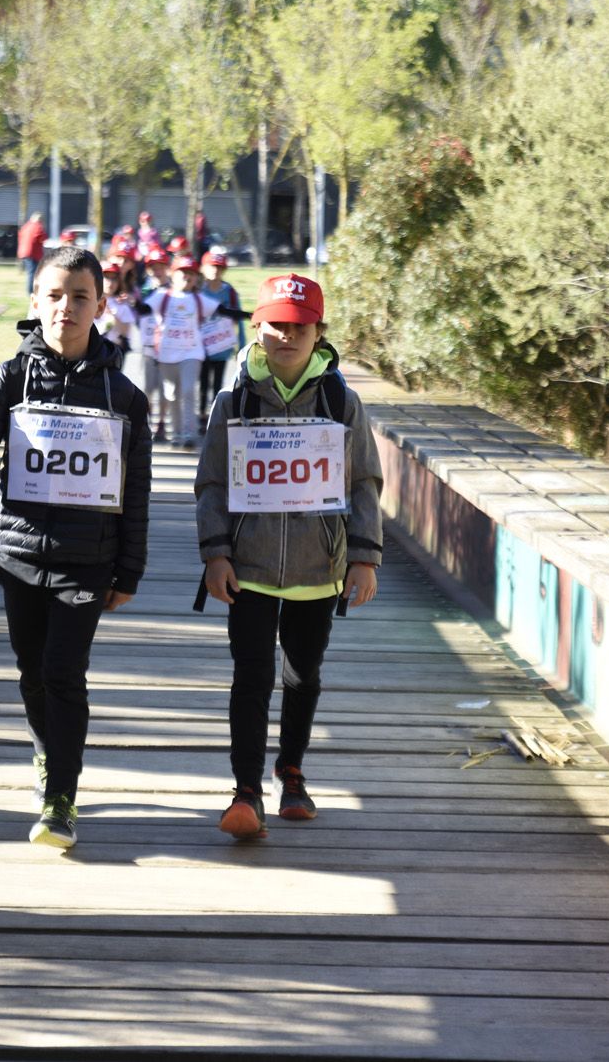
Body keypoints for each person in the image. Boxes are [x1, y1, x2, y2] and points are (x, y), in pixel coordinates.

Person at [0, 246, 152, 850]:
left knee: (63, 672)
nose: (65, 308)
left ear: (101, 305)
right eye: (54, 295)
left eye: (80, 297)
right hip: (17, 553)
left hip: (88, 560)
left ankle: (60, 800)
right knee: (31, 671)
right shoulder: (13, 378)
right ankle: (48, 759)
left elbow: (137, 491)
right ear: (34, 301)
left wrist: (130, 567)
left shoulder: (123, 396)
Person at [194, 272, 384, 839]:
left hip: (317, 570)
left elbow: (364, 481)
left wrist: (364, 556)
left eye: (299, 326)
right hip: (247, 568)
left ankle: (291, 772)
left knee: (302, 675)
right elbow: (211, 484)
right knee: (250, 676)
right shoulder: (234, 400)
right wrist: (215, 554)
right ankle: (245, 790)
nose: (287, 335)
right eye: (276, 324)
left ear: (319, 331)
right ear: (258, 326)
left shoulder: (340, 401)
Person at [144, 254, 219, 450]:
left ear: (196, 278)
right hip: (167, 354)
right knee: (172, 395)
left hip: (192, 353)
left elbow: (225, 311)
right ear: (173, 274)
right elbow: (142, 309)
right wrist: (130, 302)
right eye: (182, 272)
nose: (187, 276)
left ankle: (189, 434)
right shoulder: (162, 296)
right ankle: (176, 433)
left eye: (191, 273)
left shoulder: (199, 299)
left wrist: (253, 316)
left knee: (187, 391)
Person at [197, 247, 243, 424]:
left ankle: (213, 413)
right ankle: (201, 412)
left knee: (218, 382)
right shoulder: (199, 291)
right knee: (202, 381)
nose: (215, 271)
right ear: (203, 268)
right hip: (202, 345)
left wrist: (241, 343)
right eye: (211, 266)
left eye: (219, 267)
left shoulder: (229, 291)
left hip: (222, 346)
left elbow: (237, 317)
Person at [17, 212, 47, 296]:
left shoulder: (26, 226)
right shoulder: (38, 226)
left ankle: (31, 290)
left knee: (30, 272)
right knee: (33, 273)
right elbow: (42, 237)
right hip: (33, 253)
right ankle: (31, 291)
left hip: (23, 252)